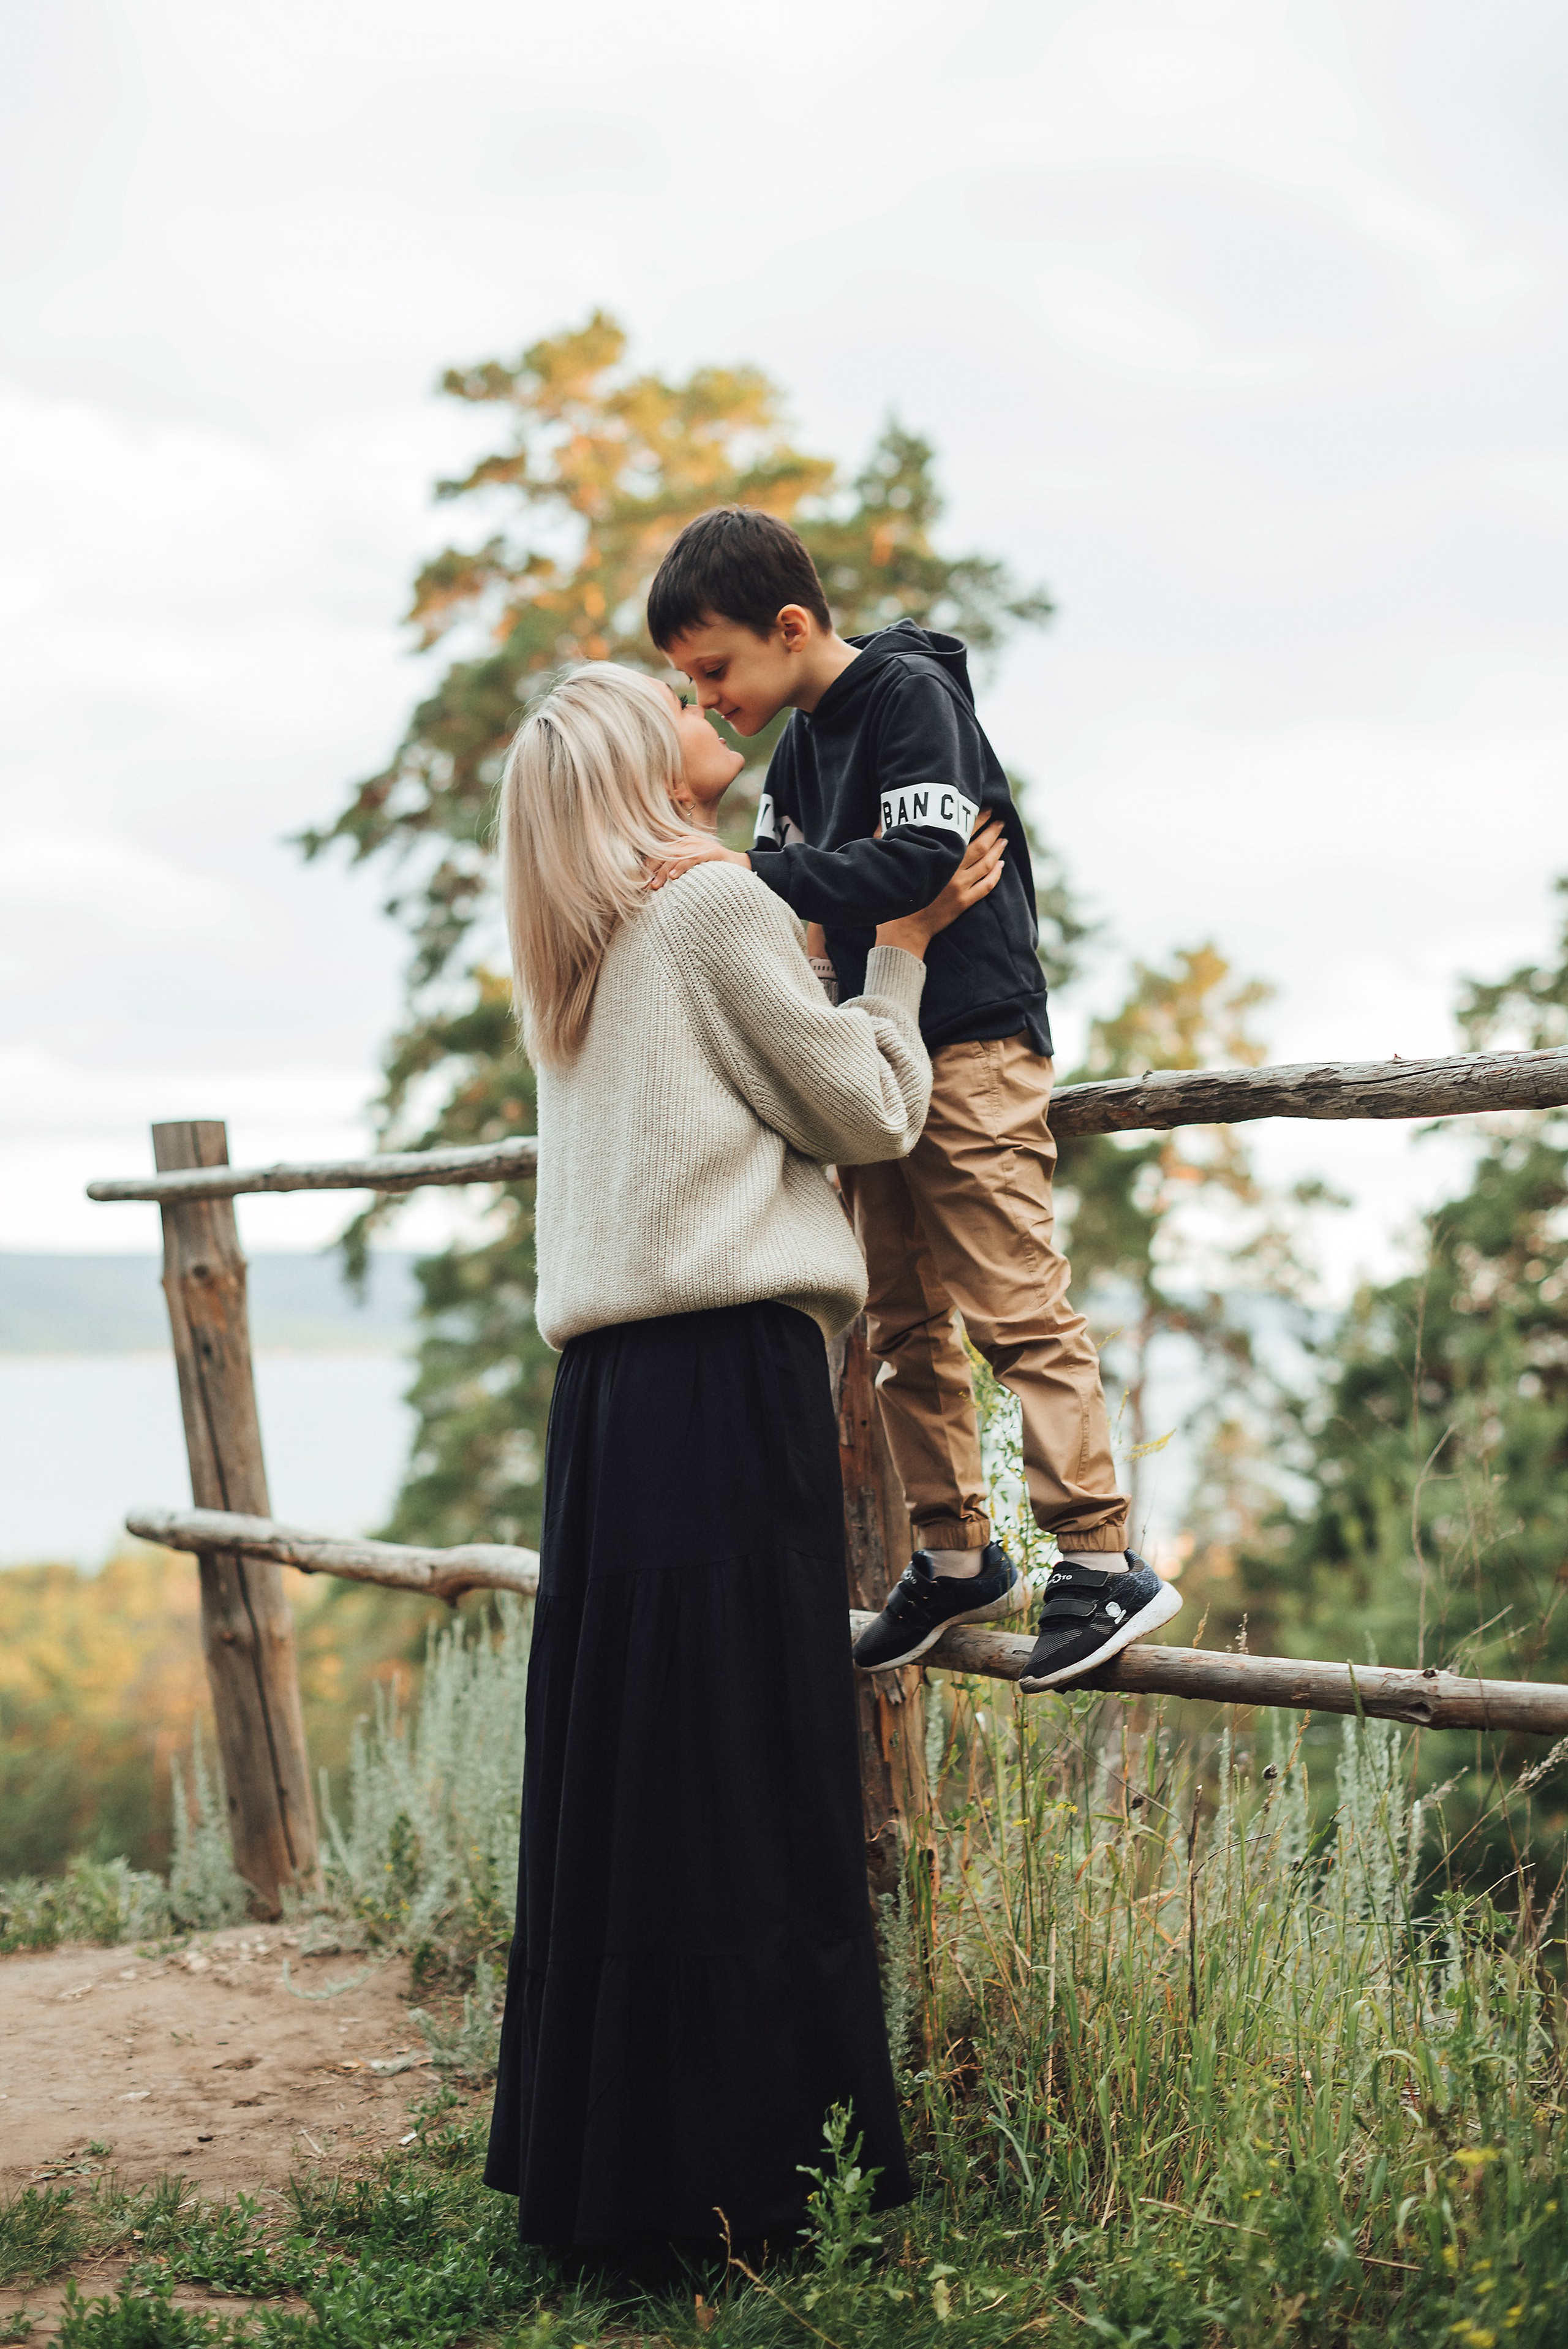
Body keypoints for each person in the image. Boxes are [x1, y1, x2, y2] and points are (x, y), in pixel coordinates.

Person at [481, 661, 1008, 2264]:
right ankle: (751, 2177)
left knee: (639, 1779)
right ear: (652, 765)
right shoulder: (710, 909)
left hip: (614, 1402)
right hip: (724, 1374)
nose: (708, 707)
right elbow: (861, 1107)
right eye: (681, 700)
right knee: (749, 1768)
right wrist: (905, 958)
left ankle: (618, 2177)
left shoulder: (578, 938)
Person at [644, 509, 1182, 1692]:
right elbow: (827, 908)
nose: (707, 694)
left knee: (1011, 1298)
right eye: (689, 680)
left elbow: (920, 866)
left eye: (715, 668)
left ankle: (1100, 1558)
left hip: (976, 1039)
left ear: (791, 626)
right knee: (896, 1319)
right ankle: (954, 1552)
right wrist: (793, 905)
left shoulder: (907, 700)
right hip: (874, 1054)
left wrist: (745, 869)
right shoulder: (793, 758)